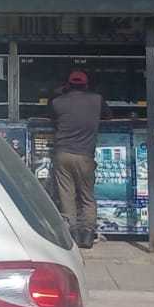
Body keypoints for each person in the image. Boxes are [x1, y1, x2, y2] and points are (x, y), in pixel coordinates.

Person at [49, 70, 104, 248]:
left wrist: (59, 92)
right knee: (87, 197)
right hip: (85, 155)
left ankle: (71, 235)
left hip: (63, 154)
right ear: (86, 85)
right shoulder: (97, 100)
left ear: (68, 84)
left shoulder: (58, 102)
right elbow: (108, 115)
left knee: (67, 195)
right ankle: (87, 236)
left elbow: (51, 116)